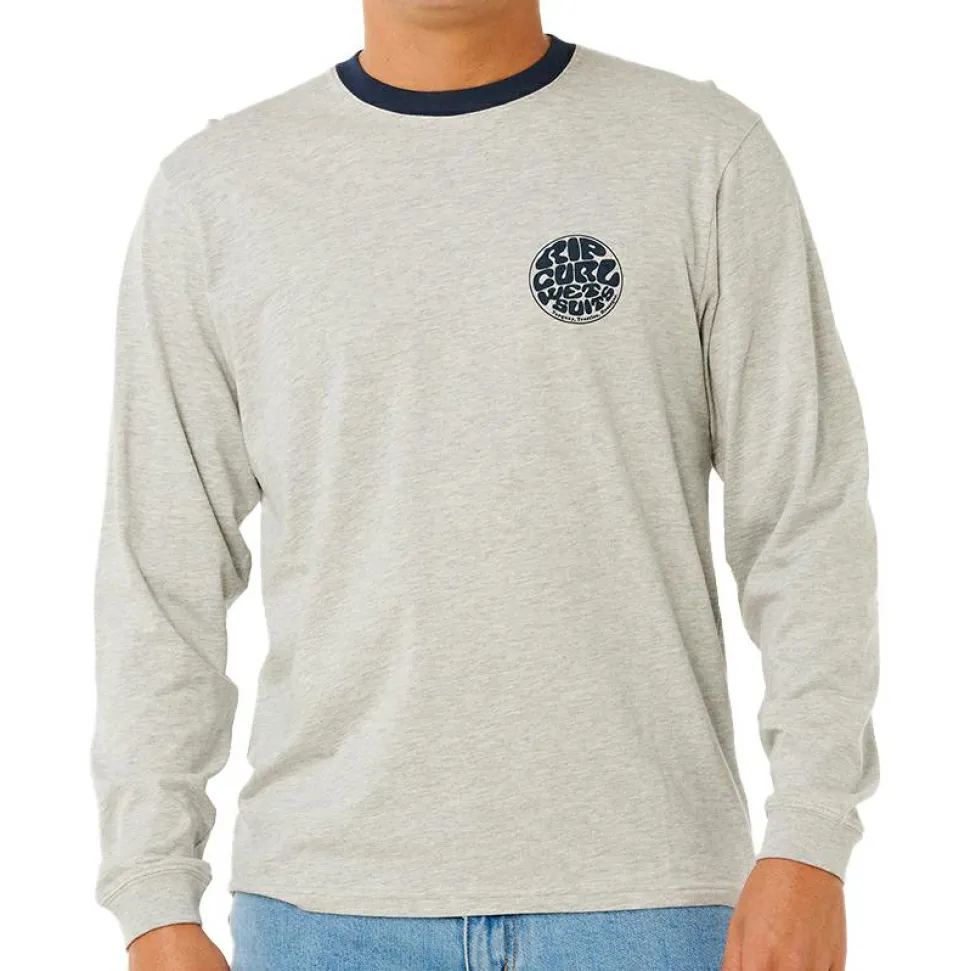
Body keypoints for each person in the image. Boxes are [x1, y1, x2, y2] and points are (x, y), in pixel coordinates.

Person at [92, 1, 879, 969]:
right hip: (325, 910)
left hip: (650, 898)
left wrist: (810, 834)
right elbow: (160, 569)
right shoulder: (216, 197)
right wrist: (153, 895)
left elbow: (806, 516)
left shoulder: (702, 157)